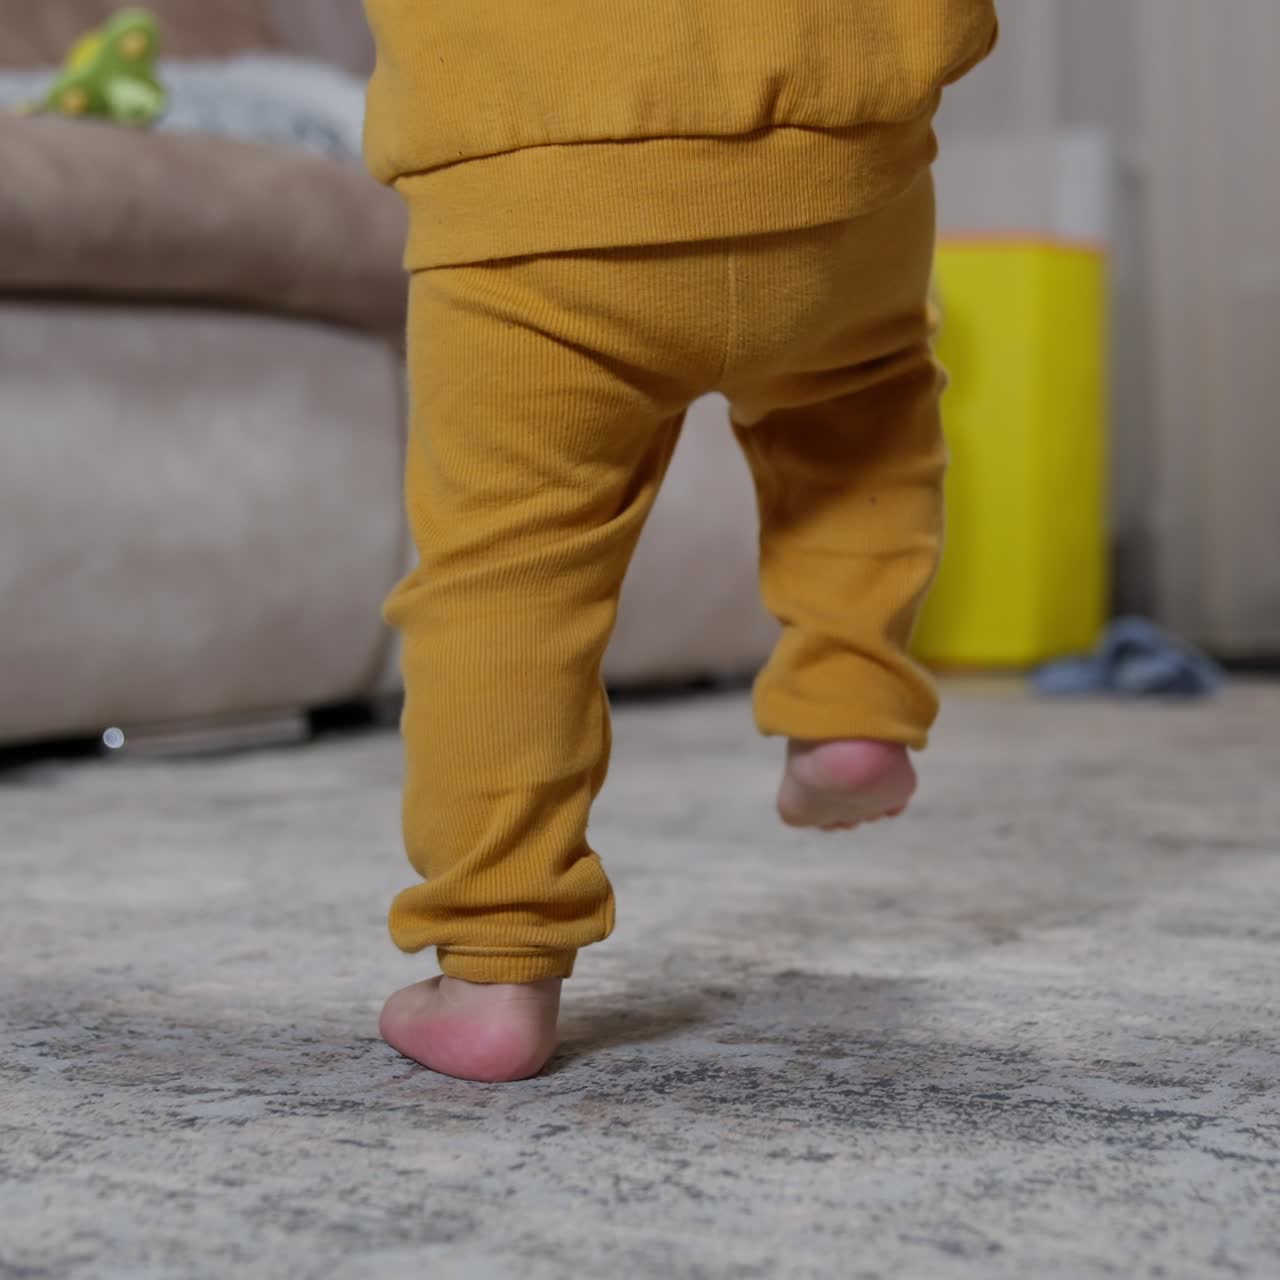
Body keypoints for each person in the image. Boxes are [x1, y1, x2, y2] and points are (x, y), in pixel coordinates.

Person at [361, 0, 999, 1082]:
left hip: (526, 168)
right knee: (858, 415)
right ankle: (848, 699)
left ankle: (495, 966)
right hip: (838, 148)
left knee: (505, 571)